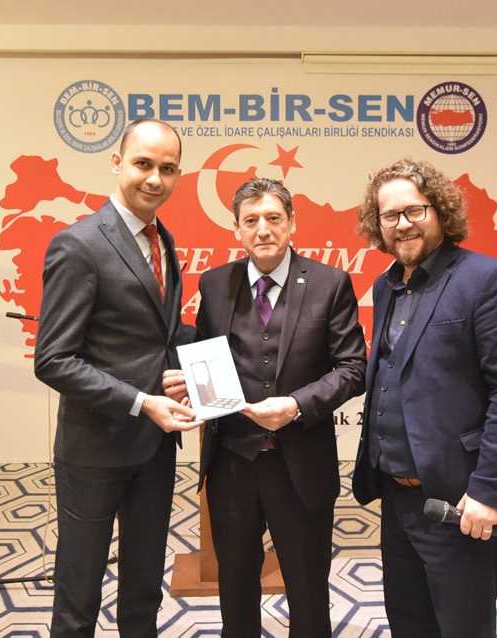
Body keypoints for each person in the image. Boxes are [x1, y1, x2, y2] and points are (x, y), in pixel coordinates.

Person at [163, 178, 366, 637]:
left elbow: (354, 368)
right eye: (251, 220)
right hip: (233, 462)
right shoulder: (215, 283)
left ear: (292, 223)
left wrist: (295, 405)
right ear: (236, 229)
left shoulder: (330, 283)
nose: (263, 229)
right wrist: (190, 383)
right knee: (235, 589)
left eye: (274, 218)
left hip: (301, 462)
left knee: (307, 590)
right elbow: (209, 358)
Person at [351, 158, 497, 637]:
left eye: (414, 211)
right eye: (390, 216)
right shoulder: (386, 285)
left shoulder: (486, 279)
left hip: (459, 500)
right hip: (397, 498)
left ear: (440, 210)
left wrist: (490, 491)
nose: (402, 225)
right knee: (409, 622)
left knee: (462, 627)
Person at [34, 118, 202, 638]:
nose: (155, 179)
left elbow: (156, 335)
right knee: (79, 592)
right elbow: (53, 359)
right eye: (143, 164)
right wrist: (141, 401)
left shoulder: (164, 240)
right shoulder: (78, 245)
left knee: (144, 586)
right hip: (95, 448)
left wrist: (200, 368)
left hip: (155, 448)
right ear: (116, 163)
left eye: (167, 169)